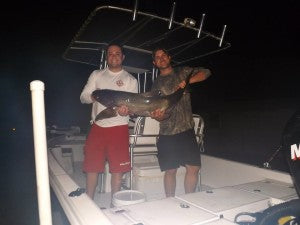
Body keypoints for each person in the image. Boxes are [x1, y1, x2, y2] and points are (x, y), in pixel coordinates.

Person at [150, 47, 211, 197]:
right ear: (154, 63)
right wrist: (158, 116)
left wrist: (188, 81)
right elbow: (158, 115)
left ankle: (189, 199)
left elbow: (206, 72)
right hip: (167, 132)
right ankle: (170, 201)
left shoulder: (182, 72)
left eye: (164, 55)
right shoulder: (156, 85)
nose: (161, 58)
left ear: (169, 57)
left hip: (186, 129)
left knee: (194, 167)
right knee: (171, 170)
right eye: (158, 57)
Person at [80, 43, 138, 201]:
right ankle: (88, 201)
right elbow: (83, 97)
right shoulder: (97, 74)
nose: (114, 56)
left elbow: (133, 108)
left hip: (119, 128)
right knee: (92, 167)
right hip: (98, 127)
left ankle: (115, 204)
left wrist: (127, 110)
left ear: (123, 57)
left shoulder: (130, 80)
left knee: (117, 170)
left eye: (117, 53)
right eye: (110, 54)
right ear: (107, 57)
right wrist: (95, 96)